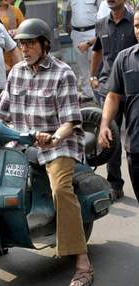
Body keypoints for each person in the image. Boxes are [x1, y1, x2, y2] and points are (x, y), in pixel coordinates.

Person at [0, 18, 94, 286]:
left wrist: (55, 136)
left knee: (61, 189)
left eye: (31, 43)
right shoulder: (15, 72)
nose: (25, 49)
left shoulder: (63, 73)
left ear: (44, 44)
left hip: (59, 144)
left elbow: (71, 121)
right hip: (23, 143)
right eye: (22, 44)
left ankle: (82, 262)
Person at [90, 0, 137, 201]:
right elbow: (98, 51)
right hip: (112, 87)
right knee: (112, 135)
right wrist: (93, 76)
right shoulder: (101, 24)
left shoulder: (132, 19)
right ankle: (114, 183)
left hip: (133, 82)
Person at [61, 0, 102, 103]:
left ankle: (99, 94)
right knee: (82, 66)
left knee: (96, 64)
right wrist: (67, 26)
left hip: (93, 31)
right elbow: (66, 10)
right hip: (77, 33)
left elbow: (102, 12)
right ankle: (87, 93)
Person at [0, 0, 24, 71]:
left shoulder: (16, 10)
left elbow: (23, 28)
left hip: (15, 54)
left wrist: (17, 31)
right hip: (0, 57)